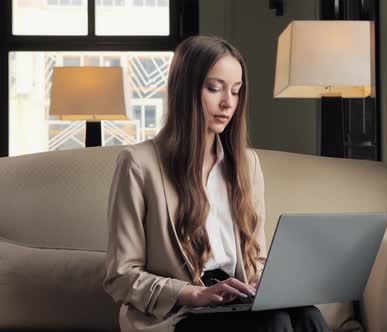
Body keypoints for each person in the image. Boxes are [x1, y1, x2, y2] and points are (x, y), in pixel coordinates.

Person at [103, 35, 330, 332]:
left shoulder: (247, 165)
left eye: (236, 92)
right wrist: (193, 294)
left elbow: (256, 258)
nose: (228, 103)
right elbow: (121, 276)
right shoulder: (138, 163)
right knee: (273, 322)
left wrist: (265, 282)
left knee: (307, 315)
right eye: (214, 88)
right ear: (185, 90)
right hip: (183, 310)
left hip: (236, 300)